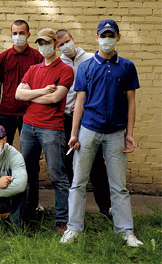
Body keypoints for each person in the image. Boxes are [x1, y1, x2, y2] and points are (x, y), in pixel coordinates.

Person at [60, 19, 143, 247]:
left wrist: (130, 133)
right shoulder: (86, 67)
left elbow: (131, 102)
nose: (107, 39)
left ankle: (125, 231)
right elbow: (79, 102)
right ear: (97, 37)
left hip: (116, 133)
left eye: (111, 35)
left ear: (117, 38)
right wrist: (74, 133)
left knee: (119, 185)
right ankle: (73, 228)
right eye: (103, 35)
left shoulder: (127, 66)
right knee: (78, 182)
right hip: (88, 130)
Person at [15, 28, 73, 233]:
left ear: (55, 44)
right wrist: (40, 91)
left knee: (58, 176)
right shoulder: (33, 69)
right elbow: (18, 95)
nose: (43, 47)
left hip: (52, 128)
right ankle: (28, 216)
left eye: (47, 43)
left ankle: (62, 220)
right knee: (29, 174)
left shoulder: (65, 70)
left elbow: (55, 98)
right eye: (40, 43)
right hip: (29, 126)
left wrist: (31, 94)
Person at [56, 29, 111, 218]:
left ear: (73, 39)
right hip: (65, 118)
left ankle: (106, 206)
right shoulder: (58, 63)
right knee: (68, 162)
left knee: (96, 163)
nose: (65, 46)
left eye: (67, 41)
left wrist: (85, 107)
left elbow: (99, 87)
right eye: (60, 44)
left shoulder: (90, 58)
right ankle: (74, 208)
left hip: (87, 118)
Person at [0, 20, 43, 144]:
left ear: (28, 35)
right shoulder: (1, 58)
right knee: (2, 150)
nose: (18, 36)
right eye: (15, 33)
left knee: (29, 154)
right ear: (11, 35)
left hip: (29, 113)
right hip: (5, 112)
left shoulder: (38, 57)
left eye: (21, 33)